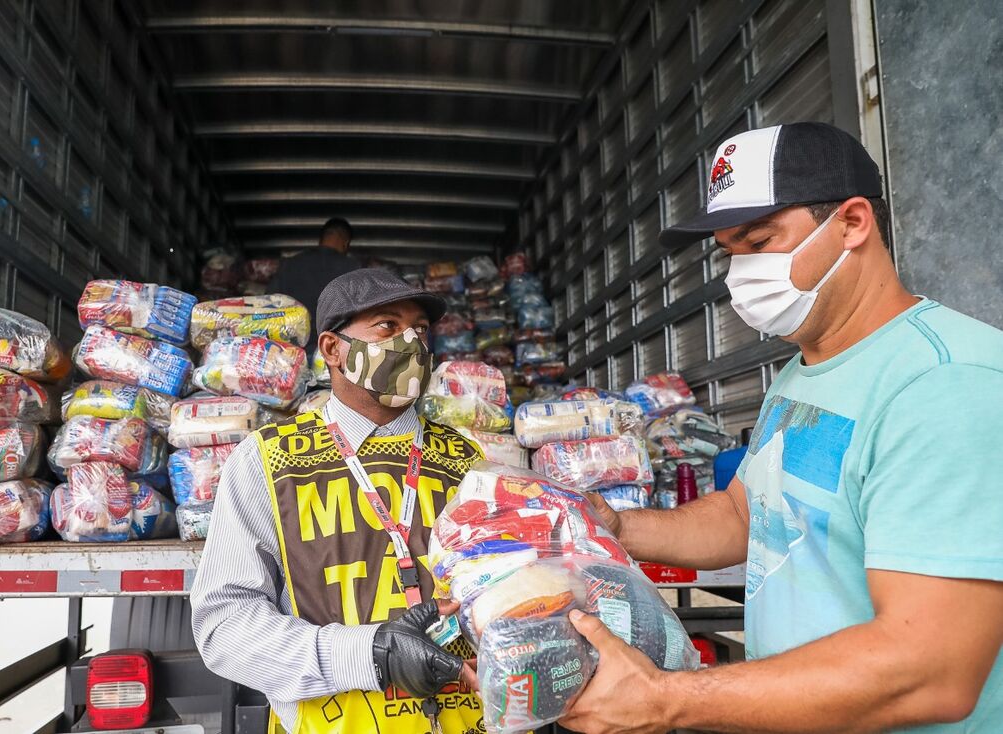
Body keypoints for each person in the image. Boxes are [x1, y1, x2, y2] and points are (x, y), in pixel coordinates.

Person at [562, 122, 1003, 733]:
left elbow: (932, 668)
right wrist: (610, 525)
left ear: (852, 223)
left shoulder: (946, 383)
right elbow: (749, 518)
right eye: (729, 252)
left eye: (760, 241)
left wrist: (667, 698)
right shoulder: (802, 372)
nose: (740, 273)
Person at [191, 268, 488, 734]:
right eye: (388, 326)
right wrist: (369, 654)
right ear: (332, 349)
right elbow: (223, 626)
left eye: (421, 330)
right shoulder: (267, 459)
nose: (410, 343)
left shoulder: (470, 460)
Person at [268, 218, 362, 348]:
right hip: (333, 351)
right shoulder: (354, 269)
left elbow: (268, 306)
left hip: (292, 350)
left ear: (321, 239)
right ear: (346, 243)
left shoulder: (290, 264)